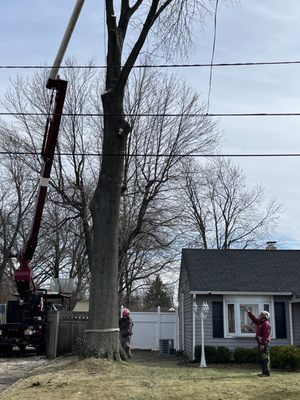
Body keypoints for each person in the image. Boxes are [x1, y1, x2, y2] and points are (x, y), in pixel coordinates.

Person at [244, 307, 271, 377]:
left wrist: (262, 344)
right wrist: (249, 312)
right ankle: (263, 372)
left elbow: (266, 334)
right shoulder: (260, 322)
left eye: (261, 314)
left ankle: (266, 373)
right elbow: (254, 319)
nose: (259, 315)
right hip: (260, 343)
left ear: (265, 316)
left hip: (264, 344)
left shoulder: (266, 324)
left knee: (265, 358)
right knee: (261, 358)